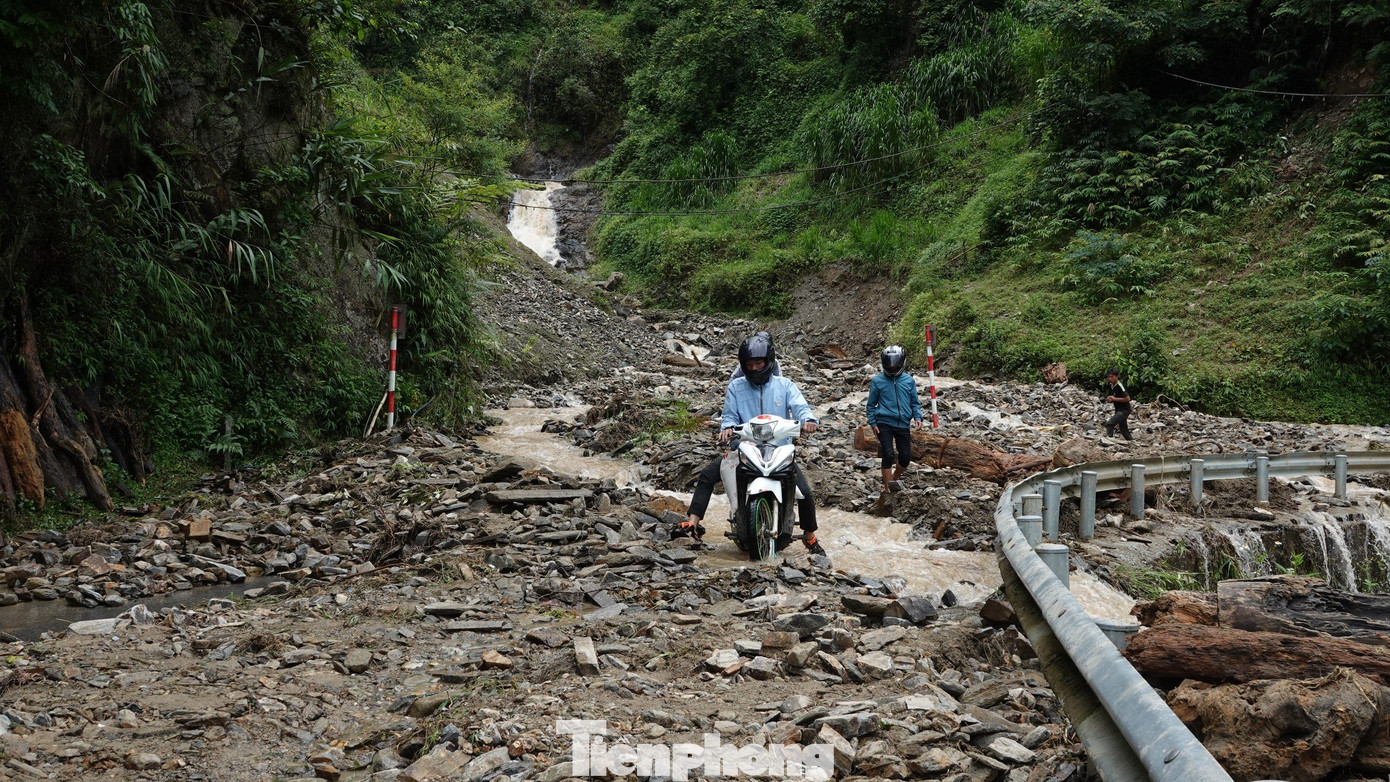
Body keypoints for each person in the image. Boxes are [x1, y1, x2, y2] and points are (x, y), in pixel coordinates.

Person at [679, 333, 825, 555]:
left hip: (779, 450)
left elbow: (801, 408)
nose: (755, 368)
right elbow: (728, 416)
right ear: (743, 365)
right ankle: (692, 524)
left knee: (805, 493)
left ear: (769, 362)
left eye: (759, 363)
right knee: (708, 475)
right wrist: (727, 429)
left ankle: (810, 536)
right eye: (750, 364)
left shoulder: (785, 385)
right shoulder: (736, 387)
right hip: (745, 449)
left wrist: (809, 421)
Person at [866, 345, 923, 494]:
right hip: (883, 422)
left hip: (903, 423)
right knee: (888, 454)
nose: (892, 367)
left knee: (905, 458)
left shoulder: (908, 381)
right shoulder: (877, 381)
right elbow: (871, 405)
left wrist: (918, 417)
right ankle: (887, 489)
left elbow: (914, 402)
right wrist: (873, 423)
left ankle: (893, 478)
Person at [1103, 368, 1133, 441]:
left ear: (1116, 377)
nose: (1110, 378)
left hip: (1124, 410)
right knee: (1123, 428)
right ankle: (1132, 442)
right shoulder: (1111, 385)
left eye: (1112, 377)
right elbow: (1113, 397)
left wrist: (1114, 399)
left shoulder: (1120, 386)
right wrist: (1110, 399)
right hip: (1118, 409)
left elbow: (1127, 398)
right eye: (1108, 377)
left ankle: (1109, 441)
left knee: (1110, 423)